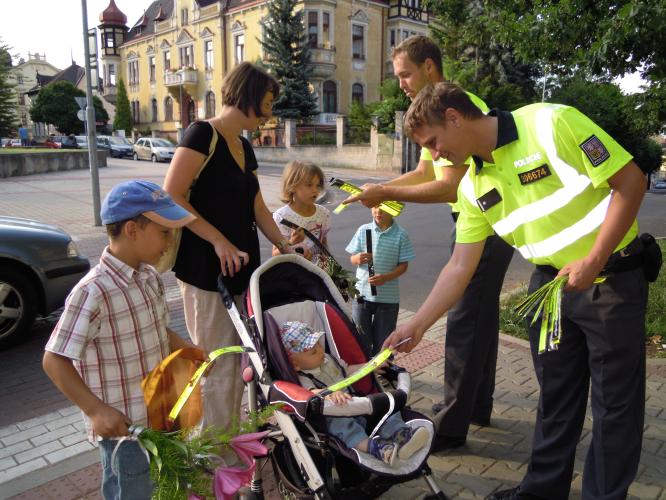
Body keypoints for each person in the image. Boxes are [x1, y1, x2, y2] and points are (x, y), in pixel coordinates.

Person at [386, 82, 648, 500]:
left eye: (434, 143)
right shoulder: (472, 185)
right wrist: (417, 324)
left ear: (454, 117)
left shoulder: (551, 123)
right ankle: (542, 491)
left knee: (615, 406)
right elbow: (459, 266)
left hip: (610, 281)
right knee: (556, 396)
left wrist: (594, 259)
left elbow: (631, 182)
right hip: (551, 288)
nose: (434, 156)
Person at [344, 35, 515, 450]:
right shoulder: (432, 114)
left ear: (429, 68)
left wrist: (385, 194)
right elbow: (424, 175)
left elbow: (448, 187)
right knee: (479, 320)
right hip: (484, 222)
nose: (400, 83)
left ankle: (452, 426)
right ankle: (477, 407)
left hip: (485, 225)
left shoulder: (453, 110)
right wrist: (379, 187)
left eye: (405, 74)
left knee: (462, 322)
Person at [43, 180, 205, 500]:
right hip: (126, 434)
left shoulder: (150, 277)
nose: (170, 240)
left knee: (171, 489)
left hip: (162, 417)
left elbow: (160, 331)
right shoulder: (93, 292)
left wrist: (191, 352)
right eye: (164, 232)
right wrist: (97, 411)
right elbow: (54, 359)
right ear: (132, 230)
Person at [163, 62, 294, 432]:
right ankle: (214, 459)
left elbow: (258, 207)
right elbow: (170, 195)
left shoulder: (242, 145)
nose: (269, 111)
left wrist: (283, 244)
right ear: (249, 95)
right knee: (218, 366)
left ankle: (229, 443)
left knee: (240, 362)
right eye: (267, 101)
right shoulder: (202, 134)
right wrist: (219, 240)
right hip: (206, 273)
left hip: (241, 272)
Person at [280, 321, 429, 465]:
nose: (320, 350)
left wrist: (369, 366)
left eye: (319, 344)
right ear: (296, 364)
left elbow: (348, 370)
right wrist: (329, 393)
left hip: (355, 402)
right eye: (313, 351)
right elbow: (310, 393)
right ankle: (376, 448)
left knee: (386, 409)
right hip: (334, 412)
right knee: (343, 428)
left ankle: (402, 436)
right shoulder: (302, 378)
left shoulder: (328, 359)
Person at [346, 206, 415, 355]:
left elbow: (403, 266)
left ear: (394, 210)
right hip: (361, 295)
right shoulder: (363, 230)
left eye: (383, 208)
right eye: (375, 207)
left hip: (388, 299)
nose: (378, 212)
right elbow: (352, 257)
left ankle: (383, 372)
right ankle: (364, 372)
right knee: (360, 338)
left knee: (384, 342)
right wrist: (356, 259)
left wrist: (386, 277)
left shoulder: (401, 235)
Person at [272, 160, 331, 263]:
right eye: (309, 185)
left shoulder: (323, 213)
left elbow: (323, 243)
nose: (315, 190)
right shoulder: (282, 217)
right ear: (293, 186)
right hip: (294, 273)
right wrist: (291, 242)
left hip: (317, 272)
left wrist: (327, 260)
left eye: (318, 185)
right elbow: (275, 253)